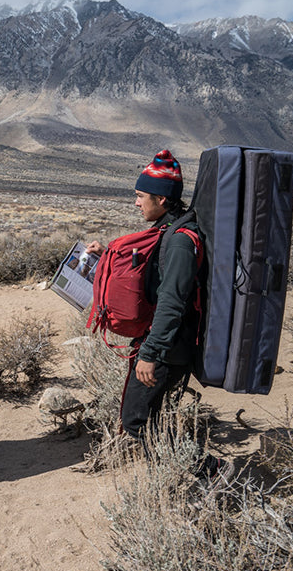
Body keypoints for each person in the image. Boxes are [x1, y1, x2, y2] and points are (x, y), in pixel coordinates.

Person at [86, 149, 229, 479]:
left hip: (167, 347)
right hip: (166, 343)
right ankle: (179, 473)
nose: (136, 203)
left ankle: (212, 471)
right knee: (150, 416)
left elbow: (171, 302)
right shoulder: (171, 230)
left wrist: (151, 355)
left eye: (140, 196)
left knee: (137, 419)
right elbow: (156, 275)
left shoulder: (180, 240)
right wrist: (106, 255)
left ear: (162, 199)